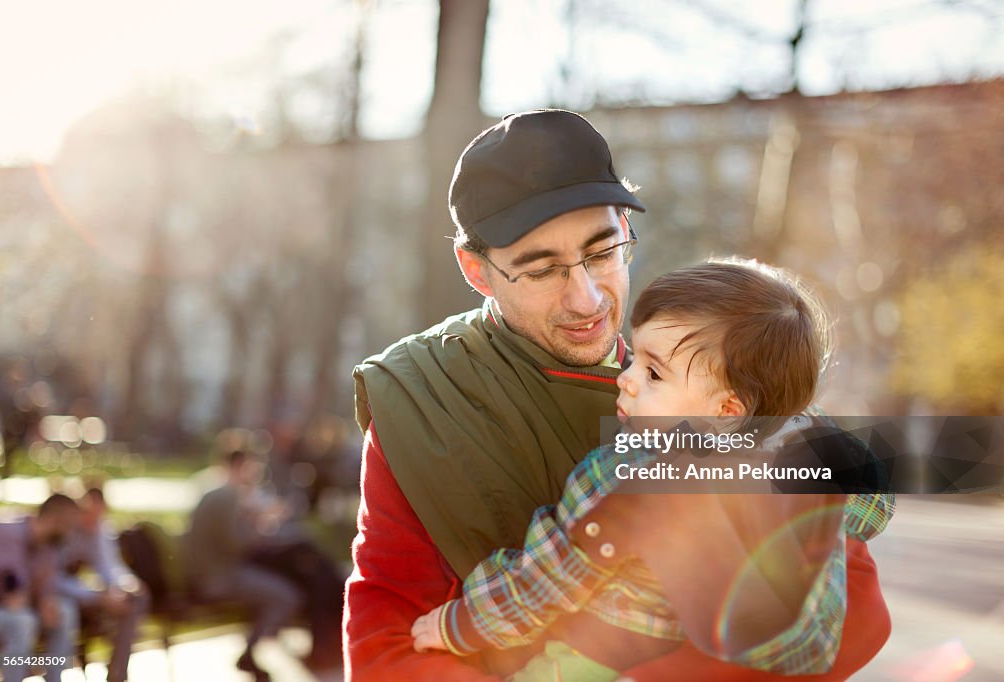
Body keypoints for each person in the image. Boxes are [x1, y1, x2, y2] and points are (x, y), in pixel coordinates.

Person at [346, 109, 892, 681]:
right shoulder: (421, 398)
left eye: (603, 253)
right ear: (477, 270)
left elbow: (855, 612)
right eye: (541, 271)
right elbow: (387, 642)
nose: (587, 301)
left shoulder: (708, 384)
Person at [410, 260, 895, 680]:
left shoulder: (625, 472)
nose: (626, 378)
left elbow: (548, 578)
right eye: (635, 355)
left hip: (607, 653)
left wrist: (459, 625)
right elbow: (871, 505)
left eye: (654, 372)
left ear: (726, 410)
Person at [185, 449, 303, 681]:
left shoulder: (215, 492)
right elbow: (237, 544)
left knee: (270, 584)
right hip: (218, 578)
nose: (255, 474)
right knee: (286, 596)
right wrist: (262, 525)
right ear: (240, 467)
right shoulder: (228, 495)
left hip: (210, 572)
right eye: (252, 468)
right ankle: (250, 653)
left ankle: (251, 652)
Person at [56, 487, 150, 682]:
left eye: (98, 515)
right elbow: (54, 580)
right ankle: (116, 670)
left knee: (134, 598)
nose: (93, 521)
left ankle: (117, 673)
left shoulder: (99, 528)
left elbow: (109, 566)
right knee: (117, 611)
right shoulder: (64, 531)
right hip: (60, 596)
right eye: (88, 514)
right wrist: (98, 596)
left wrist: (127, 585)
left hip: (88, 595)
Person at [0, 493, 81, 682]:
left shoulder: (51, 546)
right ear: (54, 520)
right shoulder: (6, 534)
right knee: (22, 621)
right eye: (69, 527)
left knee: (65, 611)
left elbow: (46, 589)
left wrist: (48, 602)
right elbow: (15, 596)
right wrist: (40, 603)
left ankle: (55, 678)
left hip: (10, 608)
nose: (71, 534)